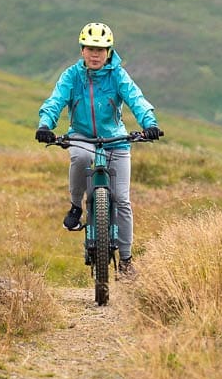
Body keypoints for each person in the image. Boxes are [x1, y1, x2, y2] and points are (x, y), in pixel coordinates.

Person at [34, 22, 162, 280]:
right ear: (82, 50)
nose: (95, 54)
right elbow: (55, 101)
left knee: (122, 200)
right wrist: (45, 125)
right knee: (80, 156)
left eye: (101, 50)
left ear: (109, 52)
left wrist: (149, 124)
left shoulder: (118, 75)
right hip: (82, 136)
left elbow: (136, 99)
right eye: (91, 49)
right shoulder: (71, 76)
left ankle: (126, 261)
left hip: (115, 138)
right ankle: (75, 206)